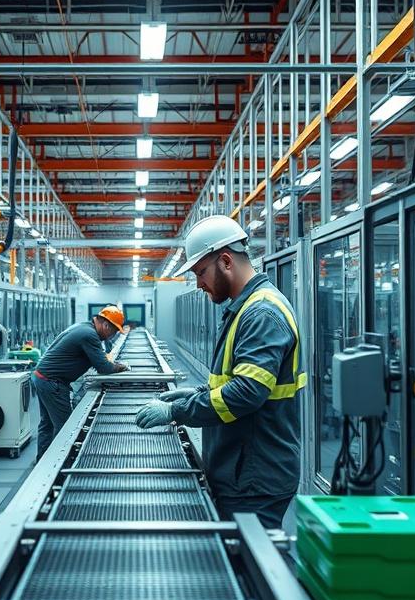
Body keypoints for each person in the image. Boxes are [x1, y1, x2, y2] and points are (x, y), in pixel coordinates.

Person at [135, 215, 306, 528]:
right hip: (243, 468)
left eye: (201, 272)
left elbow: (246, 394)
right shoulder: (246, 308)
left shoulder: (262, 313)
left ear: (226, 261)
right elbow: (237, 380)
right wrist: (198, 393)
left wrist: (176, 410)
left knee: (255, 566)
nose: (199, 284)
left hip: (255, 475)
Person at [33, 305, 131, 459]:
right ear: (106, 325)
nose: (112, 336)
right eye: (113, 332)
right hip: (52, 382)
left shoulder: (83, 327)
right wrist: (122, 367)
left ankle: (41, 459)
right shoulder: (89, 335)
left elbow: (98, 357)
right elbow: (104, 367)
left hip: (41, 377)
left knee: (47, 424)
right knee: (66, 427)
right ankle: (58, 464)